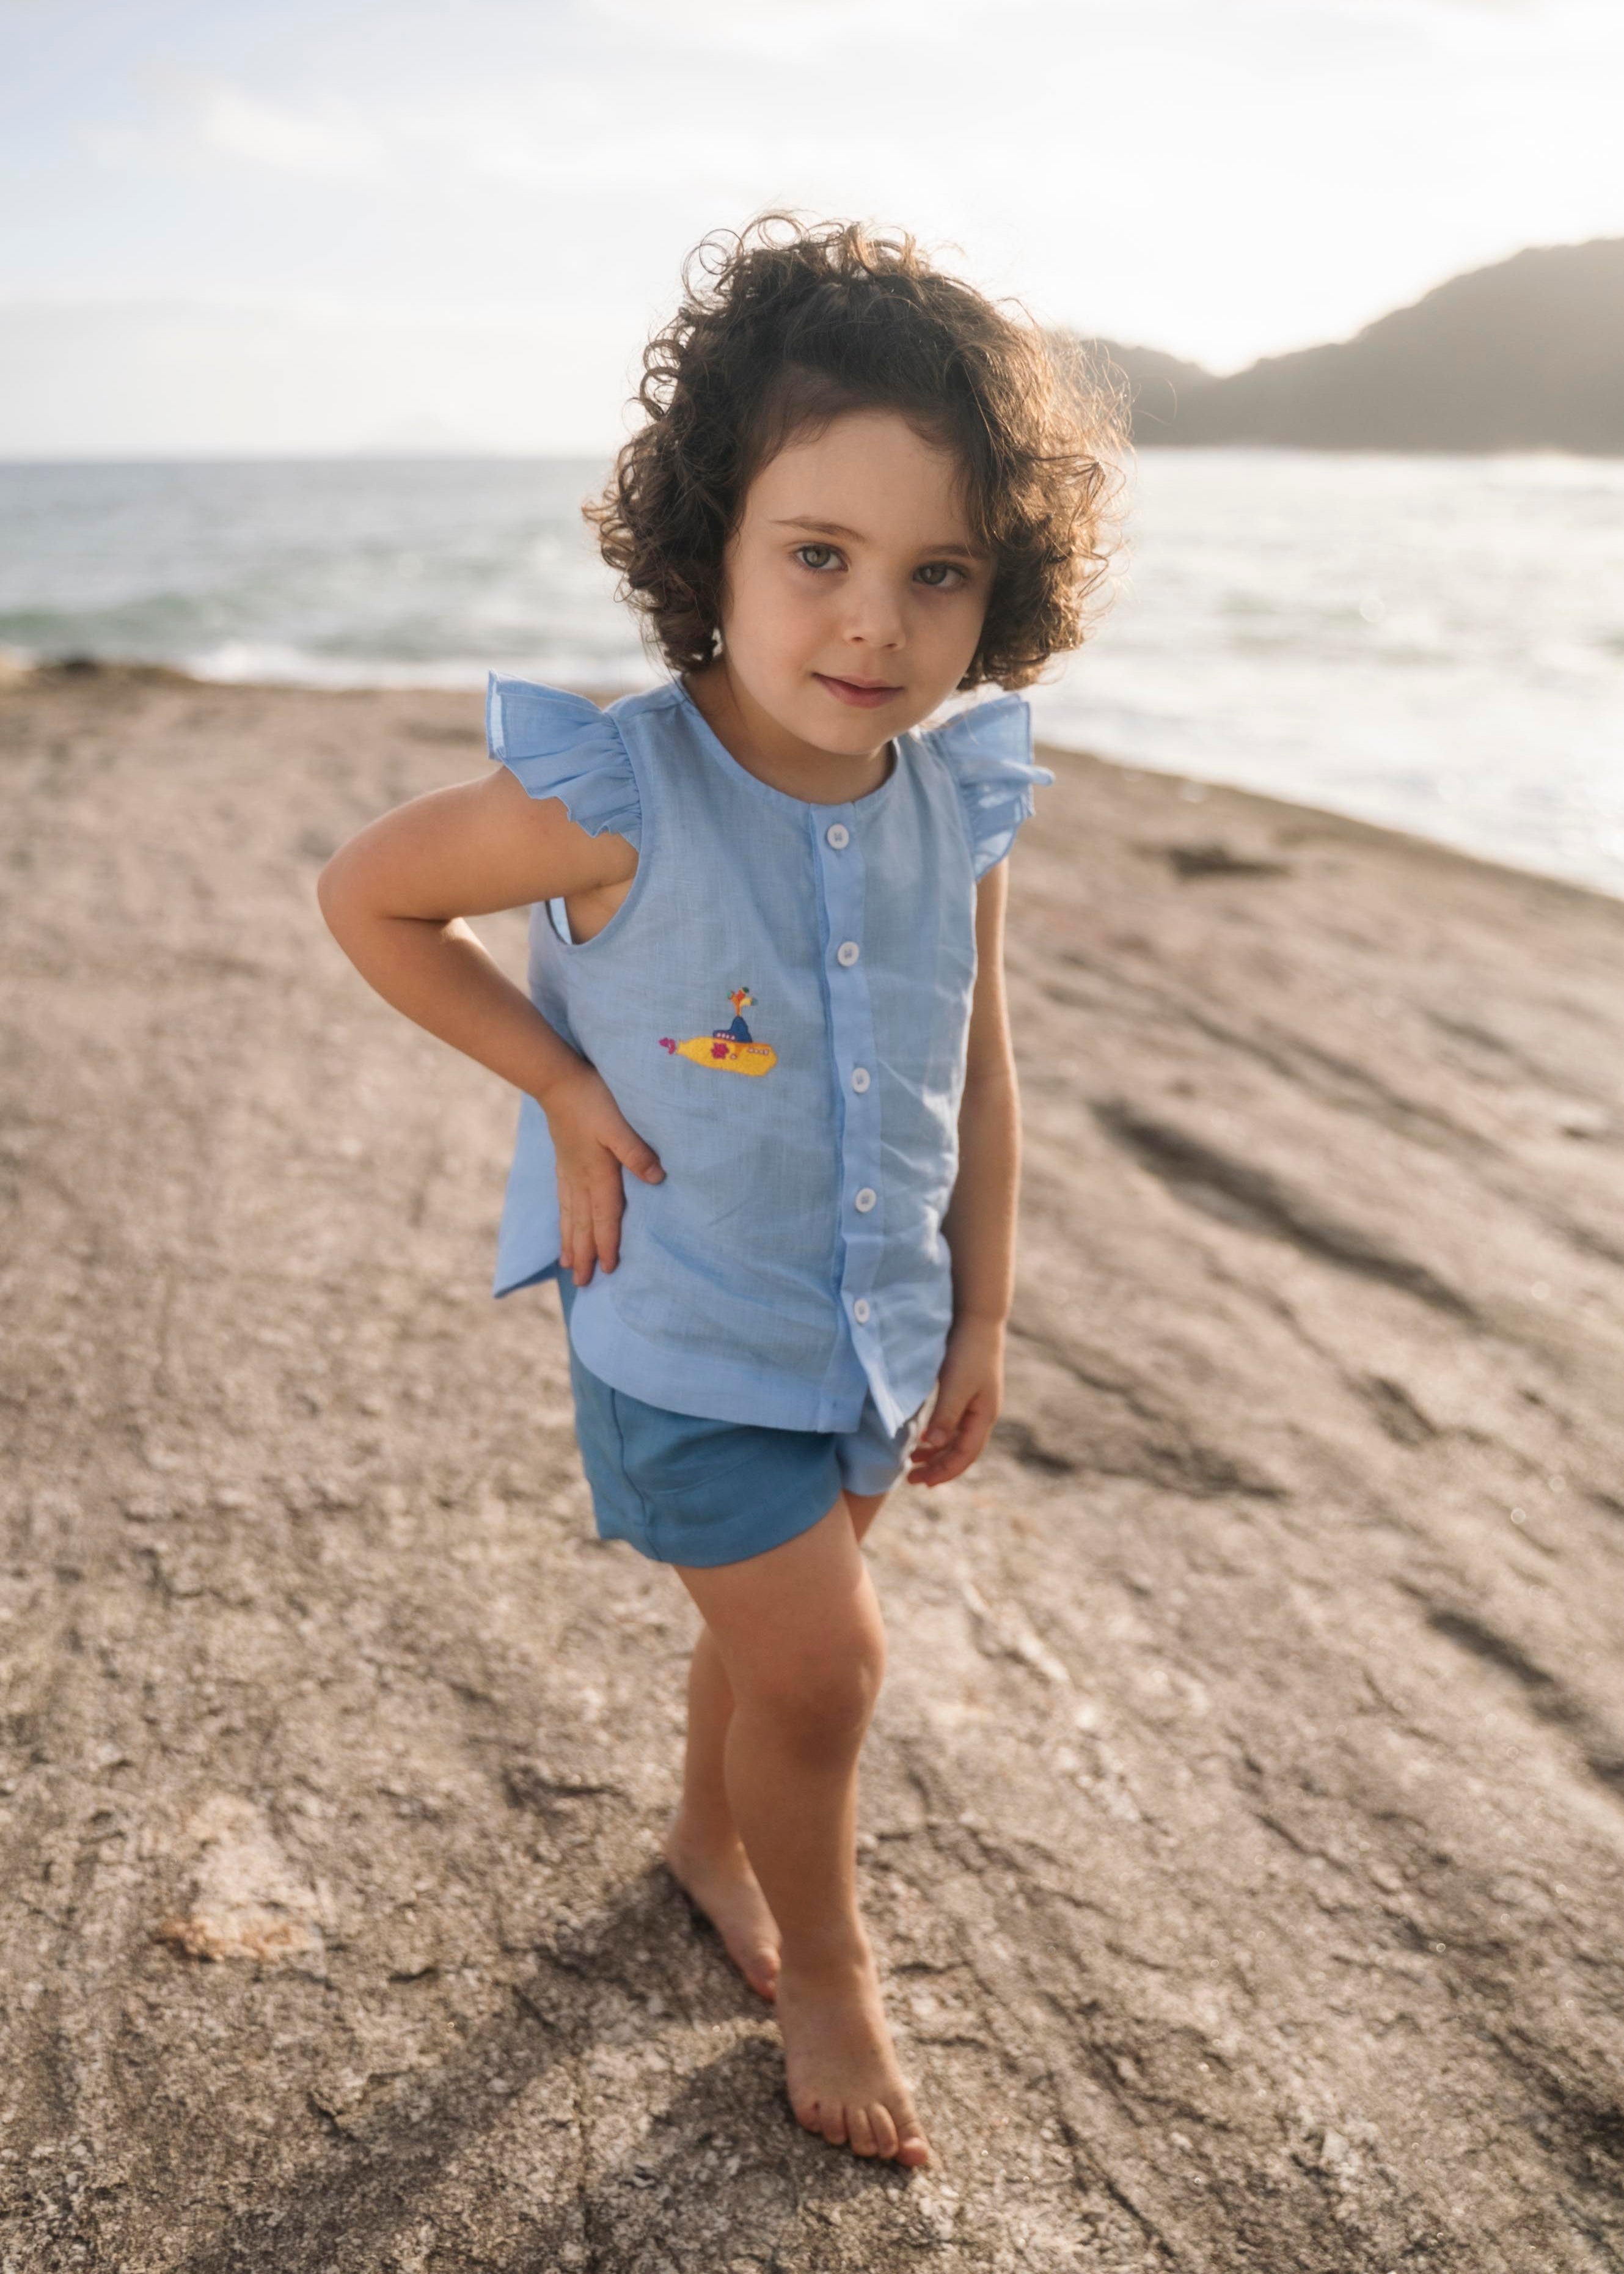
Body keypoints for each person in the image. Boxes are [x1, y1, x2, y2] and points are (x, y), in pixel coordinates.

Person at [317, 211, 1124, 2168]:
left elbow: (976, 1066)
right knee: (828, 1667)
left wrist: (982, 1309)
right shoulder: (615, 793)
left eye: (937, 573)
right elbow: (371, 897)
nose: (874, 625)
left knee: (769, 1650)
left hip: (867, 1339)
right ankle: (830, 1968)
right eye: (817, 556)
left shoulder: (955, 803)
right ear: (714, 546)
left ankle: (706, 1835)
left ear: (1001, 586)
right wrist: (559, 1083)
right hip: (681, 1331)